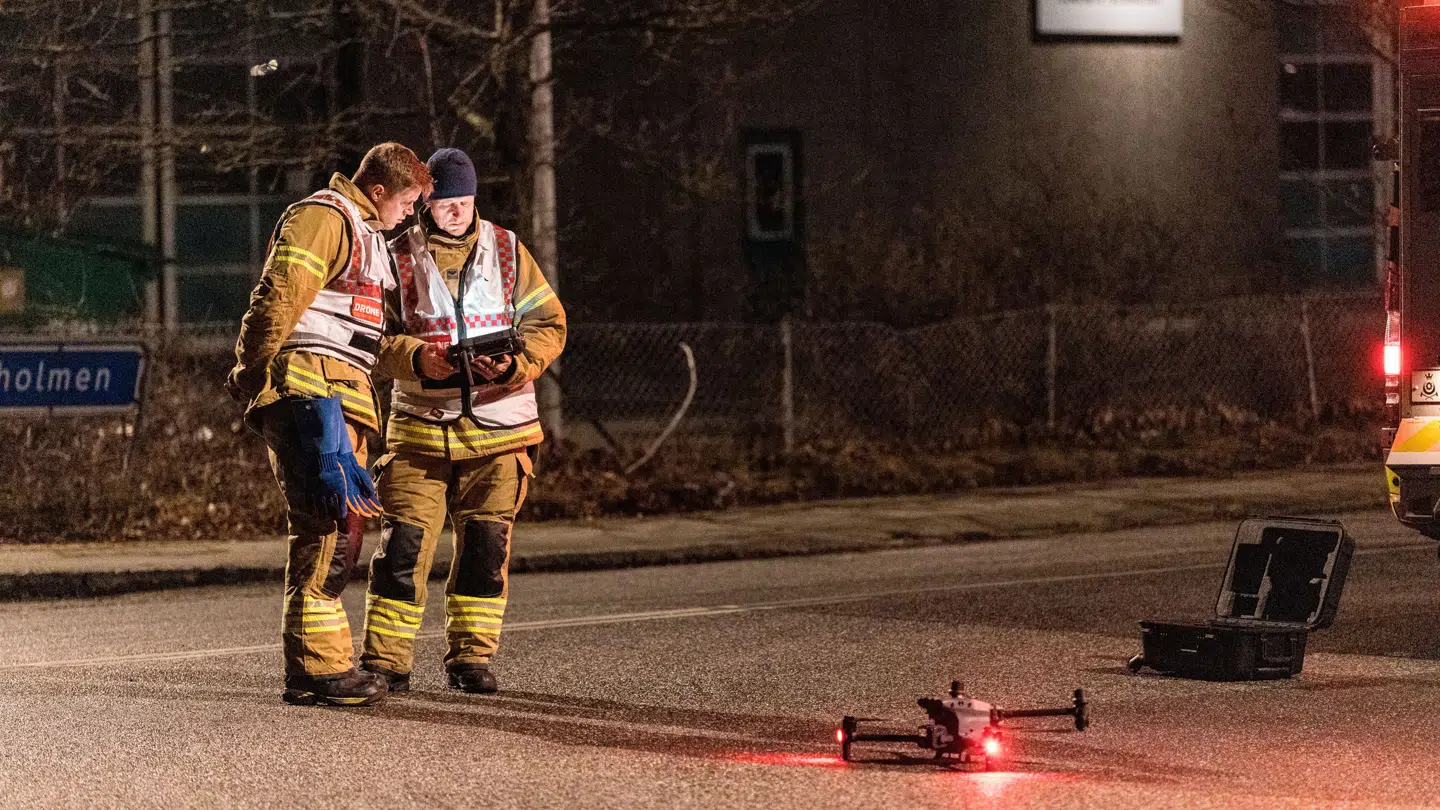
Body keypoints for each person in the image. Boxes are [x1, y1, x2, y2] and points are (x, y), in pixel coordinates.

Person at [226, 143, 433, 706]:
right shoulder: (326, 216)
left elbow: (358, 339)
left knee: (336, 531)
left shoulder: (364, 234)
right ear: (382, 190)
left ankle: (316, 669)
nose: (411, 215)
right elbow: (278, 298)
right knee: (329, 531)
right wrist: (251, 371)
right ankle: (320, 671)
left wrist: (417, 358)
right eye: (410, 201)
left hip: (335, 393)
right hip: (314, 393)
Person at [359, 147, 566, 695]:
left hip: (502, 430)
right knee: (402, 549)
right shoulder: (395, 253)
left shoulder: (507, 248)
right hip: (423, 430)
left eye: (465, 202)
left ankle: (471, 659)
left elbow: (548, 321)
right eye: (446, 203)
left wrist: (517, 362)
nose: (456, 212)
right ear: (426, 200)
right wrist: (418, 359)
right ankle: (385, 662)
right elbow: (370, 337)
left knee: (485, 550)